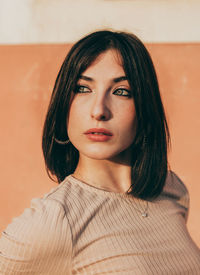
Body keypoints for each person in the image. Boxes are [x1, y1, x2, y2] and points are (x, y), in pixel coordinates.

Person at [0, 30, 200, 274]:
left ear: (145, 109)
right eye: (83, 89)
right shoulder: (55, 219)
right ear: (64, 103)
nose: (99, 110)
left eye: (121, 92)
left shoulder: (170, 189)